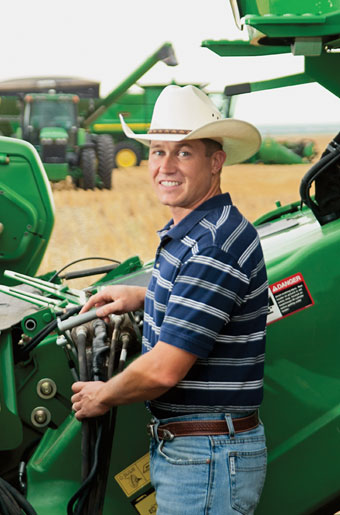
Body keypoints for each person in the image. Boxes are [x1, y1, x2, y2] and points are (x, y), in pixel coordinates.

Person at [71, 85, 268, 514]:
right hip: (201, 451)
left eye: (183, 153)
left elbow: (163, 370)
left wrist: (101, 395)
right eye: (157, 151)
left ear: (216, 162)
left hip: (207, 457)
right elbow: (205, 305)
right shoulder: (201, 230)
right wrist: (140, 296)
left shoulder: (212, 245)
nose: (165, 166)